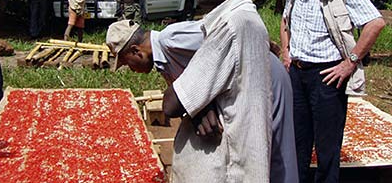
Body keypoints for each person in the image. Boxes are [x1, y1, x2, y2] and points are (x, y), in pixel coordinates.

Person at [106, 18, 297, 183]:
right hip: (240, 85)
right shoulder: (164, 63)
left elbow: (228, 31)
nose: (130, 69)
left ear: (136, 51)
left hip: (262, 74)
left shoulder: (171, 39)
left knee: (277, 151)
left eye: (126, 62)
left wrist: (263, 42)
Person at [280, 0, 385, 183]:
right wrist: (286, 53)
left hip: (327, 76)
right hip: (297, 73)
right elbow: (285, 21)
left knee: (327, 149)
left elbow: (375, 23)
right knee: (297, 143)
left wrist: (350, 62)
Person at [162, 0, 271, 182]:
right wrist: (202, 103)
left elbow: (171, 104)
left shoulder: (231, 25)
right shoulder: (248, 20)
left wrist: (194, 102)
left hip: (222, 170)